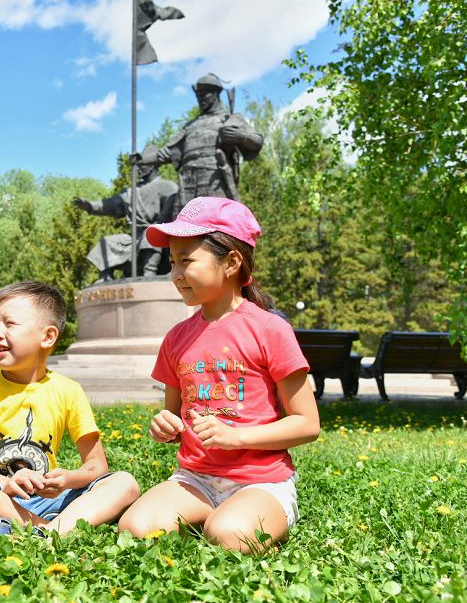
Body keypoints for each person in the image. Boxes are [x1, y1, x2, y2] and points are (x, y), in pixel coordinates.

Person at [117, 197, 320, 553]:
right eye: (172, 262)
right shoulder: (176, 338)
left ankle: (243, 516)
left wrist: (235, 437)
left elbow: (307, 424)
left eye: (187, 261)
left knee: (228, 535)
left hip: (260, 482)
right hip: (194, 479)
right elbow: (174, 417)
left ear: (231, 262)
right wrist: (165, 426)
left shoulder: (269, 329)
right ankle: (216, 515)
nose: (176, 274)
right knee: (135, 529)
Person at [0, 281, 139, 536]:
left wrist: (68, 479)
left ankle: (41, 531)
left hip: (48, 499)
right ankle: (52, 530)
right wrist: (6, 483)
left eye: (9, 324)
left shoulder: (68, 390)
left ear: (47, 337)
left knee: (125, 483)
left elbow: (96, 465)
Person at [132, 73, 263, 210]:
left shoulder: (228, 119)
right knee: (183, 222)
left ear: (215, 94)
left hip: (215, 183)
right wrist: (141, 160)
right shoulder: (190, 126)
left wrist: (242, 136)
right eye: (198, 96)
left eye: (204, 95)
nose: (200, 99)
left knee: (214, 221)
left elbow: (257, 142)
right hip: (187, 185)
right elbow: (166, 153)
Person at [73, 165, 177, 281]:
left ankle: (149, 272)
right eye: (136, 166)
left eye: (142, 165)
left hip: (160, 234)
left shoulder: (167, 186)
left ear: (152, 166)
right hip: (134, 236)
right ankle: (106, 276)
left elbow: (175, 207)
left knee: (150, 234)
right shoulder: (131, 192)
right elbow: (110, 204)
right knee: (107, 242)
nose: (137, 169)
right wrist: (90, 206)